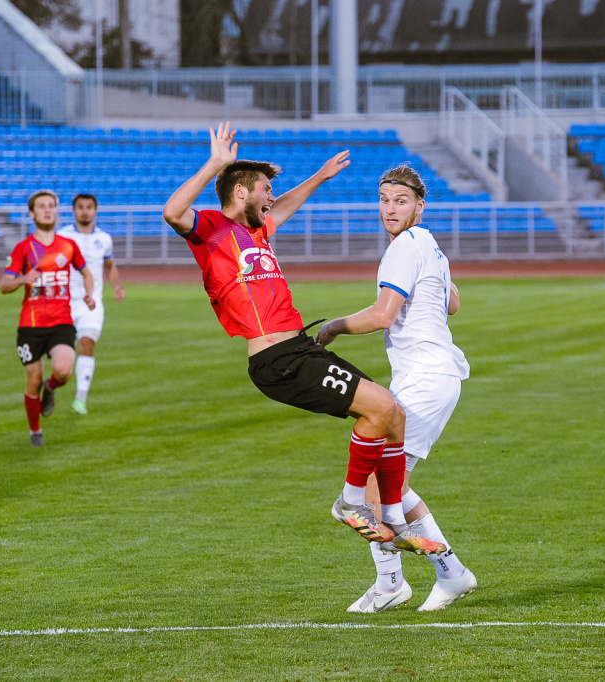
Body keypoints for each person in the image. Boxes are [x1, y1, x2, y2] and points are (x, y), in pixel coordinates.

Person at [161, 122, 446, 557]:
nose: (273, 196)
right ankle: (351, 502)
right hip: (277, 359)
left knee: (394, 417)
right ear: (241, 193)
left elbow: (285, 207)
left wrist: (318, 177)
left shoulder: (257, 230)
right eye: (266, 189)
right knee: (384, 407)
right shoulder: (213, 230)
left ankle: (390, 514)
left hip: (300, 349)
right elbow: (172, 212)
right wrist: (216, 163)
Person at [317, 163, 476, 613]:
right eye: (385, 200)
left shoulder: (407, 245)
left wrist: (333, 327)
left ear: (419, 207)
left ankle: (391, 583)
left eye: (400, 201)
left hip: (425, 377)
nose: (390, 208)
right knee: (390, 484)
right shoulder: (428, 246)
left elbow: (384, 315)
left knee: (372, 480)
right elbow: (455, 301)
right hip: (432, 374)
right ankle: (451, 574)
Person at [0, 190, 95, 447]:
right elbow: (4, 285)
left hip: (61, 321)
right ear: (32, 214)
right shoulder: (24, 249)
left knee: (64, 371)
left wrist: (88, 295)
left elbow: (87, 273)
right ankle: (35, 431)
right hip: (30, 325)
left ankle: (51, 387)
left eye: (51, 206)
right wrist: (22, 279)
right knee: (32, 380)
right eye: (41, 206)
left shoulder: (68, 246)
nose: (47, 210)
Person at [57, 193, 125, 415]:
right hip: (64, 302)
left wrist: (116, 287)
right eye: (80, 207)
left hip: (91, 303)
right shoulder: (62, 236)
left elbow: (110, 265)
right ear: (73, 210)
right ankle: (51, 387)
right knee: (60, 356)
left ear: (95, 211)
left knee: (87, 343)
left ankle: (80, 399)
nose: (85, 211)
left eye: (89, 207)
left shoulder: (104, 239)